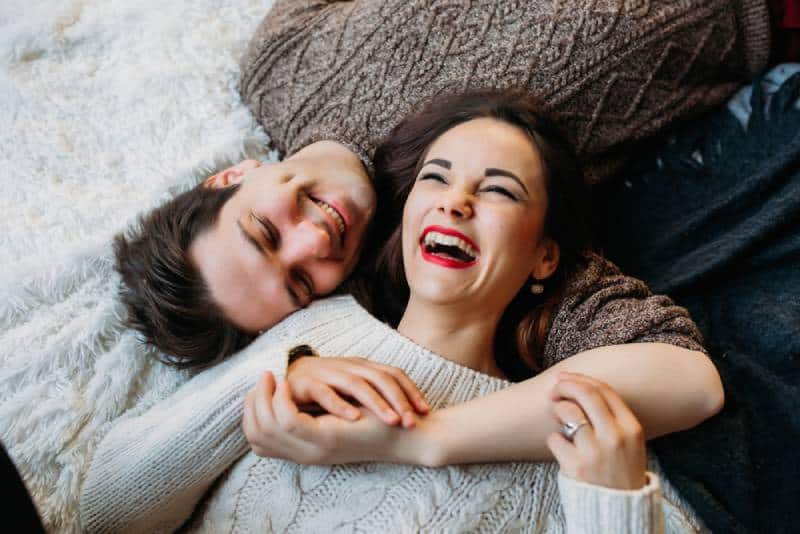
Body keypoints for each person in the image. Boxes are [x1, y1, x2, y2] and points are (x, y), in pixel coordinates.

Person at [80, 90, 722, 533]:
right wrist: (270, 377)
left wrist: (610, 507)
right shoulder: (311, 335)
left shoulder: (563, 447)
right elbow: (107, 515)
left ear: (545, 257)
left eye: (498, 190)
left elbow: (689, 381)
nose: (456, 201)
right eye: (434, 179)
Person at [113, 0, 771, 371]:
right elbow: (667, 360)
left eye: (265, 231)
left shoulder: (279, 62)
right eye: (301, 283)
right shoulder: (448, 249)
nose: (314, 237)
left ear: (232, 178)